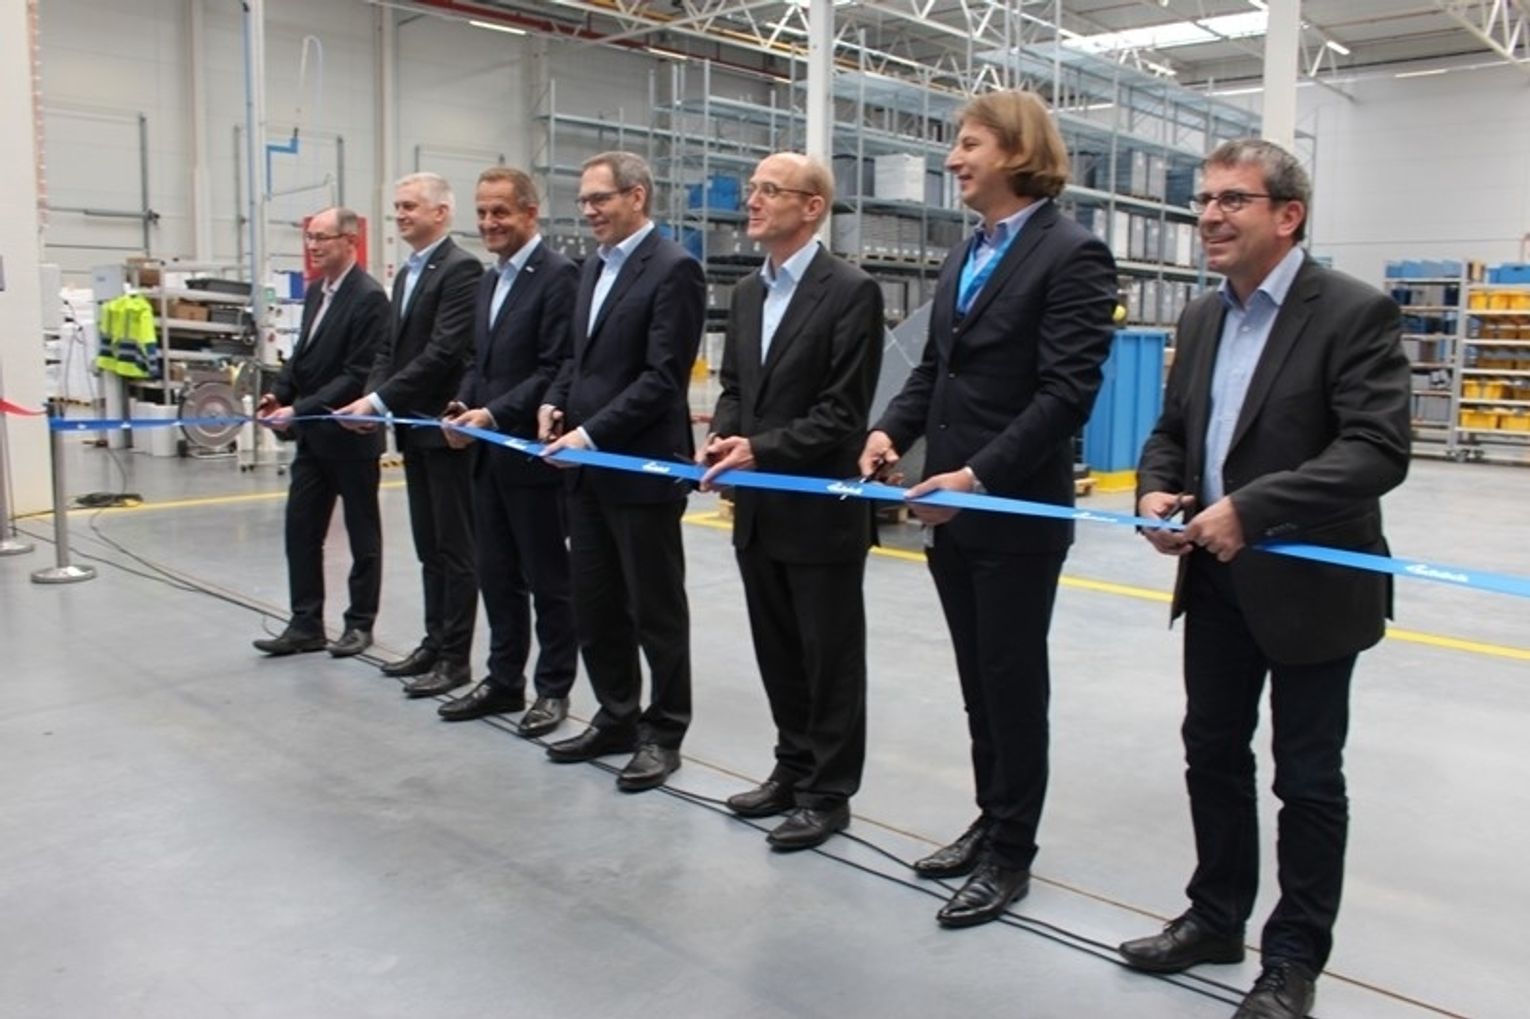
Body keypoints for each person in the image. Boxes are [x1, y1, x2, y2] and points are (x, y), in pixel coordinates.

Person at [1118, 138, 1410, 1019]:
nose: (1209, 216)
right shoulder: (1202, 317)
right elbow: (1173, 430)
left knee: (1307, 778)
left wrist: (1251, 507)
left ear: (1289, 216)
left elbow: (1376, 449)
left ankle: (1292, 960)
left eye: (1232, 200)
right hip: (1214, 581)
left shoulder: (1353, 312)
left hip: (1311, 590)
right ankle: (1216, 917)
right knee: (1212, 752)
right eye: (1204, 200)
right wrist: (1156, 489)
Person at [859, 90, 1118, 928]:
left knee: (1011, 684)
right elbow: (937, 369)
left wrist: (976, 476)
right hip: (953, 511)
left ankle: (1012, 852)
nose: (953, 159)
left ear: (1016, 150)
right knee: (978, 682)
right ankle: (989, 818)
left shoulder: (1072, 254)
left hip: (1012, 512)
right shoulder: (967, 252)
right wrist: (890, 432)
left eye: (969, 144)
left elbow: (1066, 395)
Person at [699, 153, 883, 851]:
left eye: (769, 191)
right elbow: (735, 387)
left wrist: (760, 450)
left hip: (818, 513)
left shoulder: (851, 291)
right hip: (758, 509)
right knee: (777, 648)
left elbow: (843, 412)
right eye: (753, 189)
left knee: (829, 658)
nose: (752, 201)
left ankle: (829, 793)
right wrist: (723, 439)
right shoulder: (750, 292)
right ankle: (792, 767)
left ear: (812, 207)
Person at [538, 151, 706, 792]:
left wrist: (589, 433)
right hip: (586, 473)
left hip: (639, 472)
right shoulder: (593, 269)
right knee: (597, 603)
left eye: (599, 198)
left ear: (637, 197)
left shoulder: (674, 269)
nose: (588, 211)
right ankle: (615, 716)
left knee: (654, 610)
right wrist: (555, 400)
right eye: (583, 200)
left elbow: (662, 379)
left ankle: (664, 733)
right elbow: (577, 360)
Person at [437, 167, 578, 738]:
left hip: (530, 458)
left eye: (501, 211)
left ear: (529, 213)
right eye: (482, 212)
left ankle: (553, 688)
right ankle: (503, 680)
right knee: (496, 574)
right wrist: (462, 406)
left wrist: (492, 415)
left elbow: (554, 367)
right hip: (486, 457)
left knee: (548, 579)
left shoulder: (559, 276)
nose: (489, 222)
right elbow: (479, 362)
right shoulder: (491, 280)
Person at [336, 172, 482, 698]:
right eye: (396, 206)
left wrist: (379, 402)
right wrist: (374, 400)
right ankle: (434, 642)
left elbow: (443, 352)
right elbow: (389, 350)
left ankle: (456, 659)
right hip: (412, 429)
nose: (399, 214)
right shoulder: (406, 275)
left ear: (441, 212)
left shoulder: (461, 269)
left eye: (409, 206)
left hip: (444, 431)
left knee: (456, 549)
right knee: (428, 546)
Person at [253, 207, 389, 659]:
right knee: (301, 529)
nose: (312, 246)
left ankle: (360, 623)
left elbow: (356, 373)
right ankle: (305, 623)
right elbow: (301, 359)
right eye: (309, 237)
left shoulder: (369, 297)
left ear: (350, 241)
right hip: (314, 440)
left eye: (322, 238)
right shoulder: (316, 292)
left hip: (351, 436)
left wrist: (300, 409)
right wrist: (277, 394)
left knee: (362, 534)